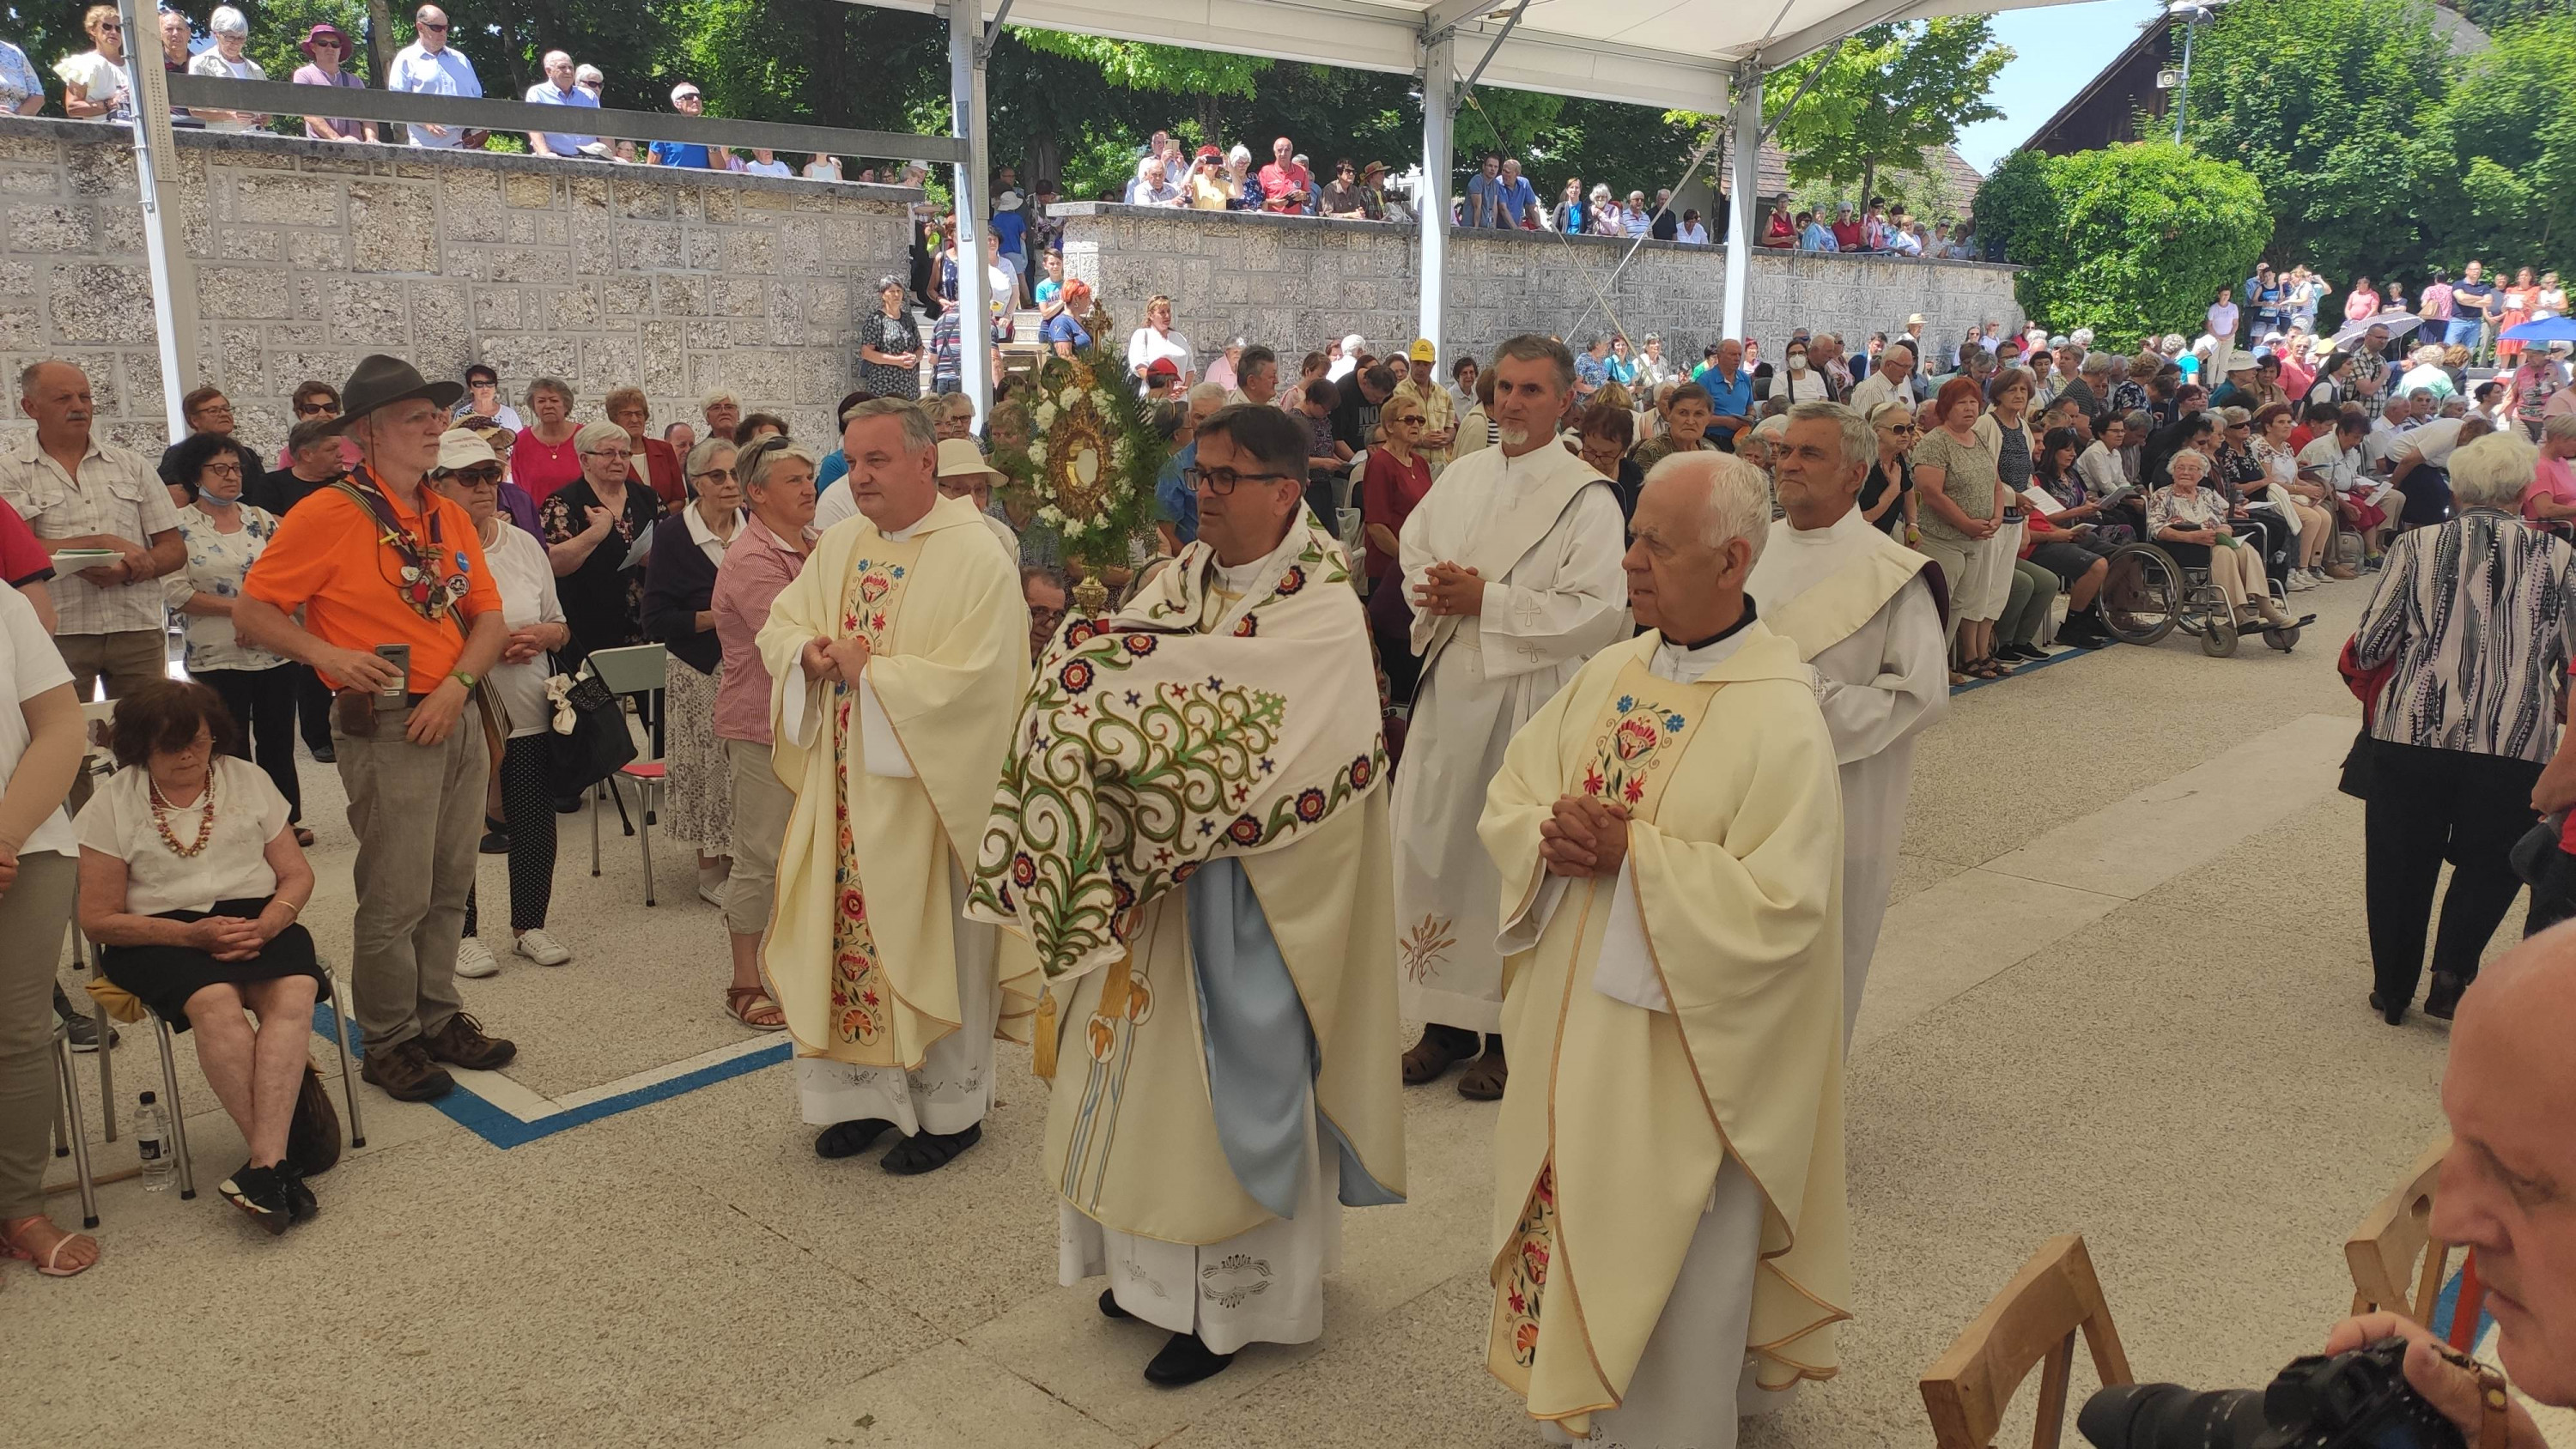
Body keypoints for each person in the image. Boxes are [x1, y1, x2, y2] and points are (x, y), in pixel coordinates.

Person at [966, 402, 1406, 1387]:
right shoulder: (1178, 581)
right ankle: (1149, 1275)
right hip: (1152, 889)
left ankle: (1232, 1304)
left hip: (1255, 900)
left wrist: (1156, 752)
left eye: (1223, 478)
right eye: (1198, 475)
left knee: (1212, 1104)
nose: (1199, 493)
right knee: (1139, 1089)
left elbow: (1299, 746)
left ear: (1287, 491)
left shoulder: (1321, 605)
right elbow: (1139, 689)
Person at [1481, 448, 1847, 1449]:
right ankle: (1580, 1415)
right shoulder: (1610, 669)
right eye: (1633, 535)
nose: (1630, 559)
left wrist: (1631, 856)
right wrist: (1545, 836)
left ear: (1732, 560)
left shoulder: (1781, 713)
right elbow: (1516, 792)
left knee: (1676, 1266)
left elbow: (1785, 909)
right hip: (1572, 1032)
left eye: (1655, 543)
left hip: (1683, 1065)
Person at [754, 401, 1036, 1173]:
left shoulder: (977, 555)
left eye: (876, 460)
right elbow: (780, 622)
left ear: (925, 464)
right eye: (852, 460)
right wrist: (807, 653)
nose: (859, 475)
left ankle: (951, 1111)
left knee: (933, 943)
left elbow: (983, 682)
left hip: (928, 799)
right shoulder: (841, 543)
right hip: (843, 787)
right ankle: (860, 1100)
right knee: (846, 940)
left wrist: (871, 673)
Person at [234, 355, 514, 1103]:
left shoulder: (447, 512)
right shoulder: (329, 512)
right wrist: (325, 653)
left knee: (451, 881)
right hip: (387, 716)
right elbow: (253, 612)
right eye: (415, 417)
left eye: (436, 415)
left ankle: (438, 1014)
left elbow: (488, 616)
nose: (434, 427)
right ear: (366, 432)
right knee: (396, 890)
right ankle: (388, 1038)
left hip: (450, 708)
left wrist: (456, 688)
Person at [1391, 336, 1628, 1100]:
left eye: (1532, 391)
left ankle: (1505, 1029)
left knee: (1507, 859)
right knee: (1438, 850)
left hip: (1530, 698)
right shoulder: (1461, 474)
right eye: (1505, 390)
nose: (1513, 405)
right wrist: (1438, 588)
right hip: (1452, 684)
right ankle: (1443, 1020)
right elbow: (1414, 549)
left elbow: (1600, 612)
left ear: (1566, 401)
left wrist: (1485, 598)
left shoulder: (1586, 496)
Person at [77, 682, 324, 1230]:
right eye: (172, 747)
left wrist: (271, 921)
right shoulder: (113, 802)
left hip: (258, 916)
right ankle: (276, 1162)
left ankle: (266, 1164)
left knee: (296, 989)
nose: (190, 755)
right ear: (140, 748)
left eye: (200, 741)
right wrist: (191, 938)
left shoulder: (248, 779)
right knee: (214, 1001)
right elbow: (97, 920)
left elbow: (296, 874)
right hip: (158, 933)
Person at [2354, 432, 2576, 1022]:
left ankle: (2393, 988)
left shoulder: (2417, 545)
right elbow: (2574, 660)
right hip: (2515, 734)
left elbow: (2374, 643)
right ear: (2523, 489)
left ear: (2458, 485)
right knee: (2490, 860)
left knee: (2400, 860)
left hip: (2412, 732)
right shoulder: (2560, 558)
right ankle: (2453, 973)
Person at [1752, 402, 1947, 1037]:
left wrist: (1805, 699)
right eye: (1785, 451)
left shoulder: (1891, 572)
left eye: (1811, 454)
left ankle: (1803, 1115)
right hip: (1735, 782)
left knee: (1819, 954)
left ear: (1855, 473)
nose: (1789, 465)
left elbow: (1919, 695)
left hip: (1840, 790)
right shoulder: (1747, 545)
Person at [422, 430, 571, 976]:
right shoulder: (423, 551)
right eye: (469, 477)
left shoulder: (524, 544)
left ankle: (529, 924)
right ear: (436, 485)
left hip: (526, 701)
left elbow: (560, 624)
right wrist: (482, 649)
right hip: (458, 708)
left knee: (533, 817)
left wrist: (540, 636)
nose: (486, 486)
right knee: (456, 824)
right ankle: (459, 931)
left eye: (492, 474)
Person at [0, 579, 93, 1276]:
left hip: (23, 845)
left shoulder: (3, 602)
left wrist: (5, 834)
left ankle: (19, 1205)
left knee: (17, 1031)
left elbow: (63, 725)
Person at [2, 361, 185, 701]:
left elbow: (173, 548)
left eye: (85, 397)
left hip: (136, 627)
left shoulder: (132, 465)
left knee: (149, 739)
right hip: (58, 630)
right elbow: (18, 553)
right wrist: (102, 542)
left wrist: (127, 569)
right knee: (69, 739)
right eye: (63, 399)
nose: (79, 407)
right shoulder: (9, 472)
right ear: (30, 407)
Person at [708, 438, 811, 1033]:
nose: (808, 488)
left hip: (814, 720)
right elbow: (794, 635)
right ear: (757, 493)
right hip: (761, 726)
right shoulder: (750, 559)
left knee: (814, 850)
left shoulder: (815, 544)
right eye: (794, 480)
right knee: (761, 856)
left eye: (808, 477)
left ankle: (805, 963)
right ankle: (744, 982)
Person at [162, 432, 305, 843]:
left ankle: (286, 822)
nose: (231, 476)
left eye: (237, 468)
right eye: (219, 468)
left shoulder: (264, 520)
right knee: (228, 742)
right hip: (215, 653)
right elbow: (177, 593)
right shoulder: (178, 528)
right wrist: (242, 611)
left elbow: (292, 582)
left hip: (276, 650)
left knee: (278, 740)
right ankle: (237, 824)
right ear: (195, 475)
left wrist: (263, 614)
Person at [643, 437, 744, 913]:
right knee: (707, 767)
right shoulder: (672, 535)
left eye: (736, 474)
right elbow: (657, 619)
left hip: (750, 667)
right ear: (696, 484)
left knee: (742, 768)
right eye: (718, 476)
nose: (730, 484)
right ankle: (709, 870)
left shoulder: (756, 528)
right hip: (699, 670)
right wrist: (718, 615)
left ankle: (743, 857)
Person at [1911, 376, 2012, 682]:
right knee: (1938, 608)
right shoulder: (1935, 442)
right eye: (1961, 403)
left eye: (1973, 402)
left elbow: (1994, 483)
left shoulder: (1977, 438)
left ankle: (1942, 665)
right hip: (1944, 539)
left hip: (1976, 540)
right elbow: (1931, 493)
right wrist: (1966, 523)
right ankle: (1927, 670)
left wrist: (1996, 517)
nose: (1969, 409)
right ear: (1946, 408)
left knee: (1959, 606)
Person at [538, 419, 658, 670]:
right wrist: (596, 533)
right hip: (589, 625)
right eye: (608, 453)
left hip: (646, 625)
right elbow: (555, 564)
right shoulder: (564, 501)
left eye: (624, 453)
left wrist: (655, 556)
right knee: (601, 706)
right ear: (584, 460)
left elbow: (669, 544)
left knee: (655, 705)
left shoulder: (646, 496)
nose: (619, 460)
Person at [386, 5, 480, 149]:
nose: (443, 33)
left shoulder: (461, 59)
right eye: (437, 28)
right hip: (428, 147)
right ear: (420, 27)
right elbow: (398, 102)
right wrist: (425, 123)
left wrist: (481, 129)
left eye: (446, 28)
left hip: (469, 146)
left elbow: (477, 99)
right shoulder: (406, 59)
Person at [510, 377, 583, 505]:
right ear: (534, 406)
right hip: (536, 520)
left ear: (566, 406)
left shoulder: (585, 437)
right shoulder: (522, 440)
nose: (548, 405)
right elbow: (519, 487)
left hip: (581, 518)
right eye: (541, 401)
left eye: (554, 400)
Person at [56, 5, 131, 121]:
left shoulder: (134, 67)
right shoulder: (84, 64)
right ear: (93, 30)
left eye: (118, 28)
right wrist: (111, 103)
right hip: (102, 137)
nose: (113, 32)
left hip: (137, 136)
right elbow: (73, 108)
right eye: (107, 27)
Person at [523, 50, 599, 160]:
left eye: (571, 67)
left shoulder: (589, 95)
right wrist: (545, 154)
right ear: (549, 71)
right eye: (562, 67)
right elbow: (534, 128)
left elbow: (603, 128)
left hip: (591, 159)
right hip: (556, 158)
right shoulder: (537, 93)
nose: (568, 71)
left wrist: (611, 157)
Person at [857, 277, 921, 401]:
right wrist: (898, 361)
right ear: (883, 295)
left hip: (909, 389)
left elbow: (919, 348)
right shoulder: (876, 320)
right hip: (884, 389)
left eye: (899, 291)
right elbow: (867, 353)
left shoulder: (909, 319)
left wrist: (915, 358)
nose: (896, 295)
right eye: (892, 292)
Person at [1126, 295, 1194, 391]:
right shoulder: (1142, 335)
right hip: (1154, 399)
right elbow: (1140, 367)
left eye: (1168, 311)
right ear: (1151, 315)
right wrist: (1163, 389)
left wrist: (1184, 388)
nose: (1167, 315)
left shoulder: (1179, 337)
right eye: (1162, 312)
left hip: (1180, 399)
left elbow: (1190, 367)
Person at [647, 84, 720, 168]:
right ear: (677, 104)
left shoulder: (709, 129)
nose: (696, 100)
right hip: (673, 180)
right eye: (690, 96)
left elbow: (719, 169)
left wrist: (711, 145)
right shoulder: (665, 130)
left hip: (702, 181)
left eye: (698, 96)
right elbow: (651, 166)